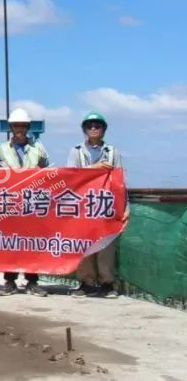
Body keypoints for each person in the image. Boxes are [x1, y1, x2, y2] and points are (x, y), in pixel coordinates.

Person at [0, 108, 50, 297]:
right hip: (10, 205)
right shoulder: (1, 150)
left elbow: (48, 174)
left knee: (32, 243)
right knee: (10, 243)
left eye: (23, 126)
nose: (20, 129)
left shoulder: (39, 149)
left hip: (31, 204)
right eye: (16, 126)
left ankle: (32, 281)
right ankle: (10, 281)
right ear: (11, 127)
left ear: (28, 127)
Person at [67, 112, 123, 298]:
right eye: (89, 125)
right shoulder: (76, 151)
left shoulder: (113, 152)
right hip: (83, 206)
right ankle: (86, 282)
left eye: (97, 125)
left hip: (105, 205)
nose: (93, 128)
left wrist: (124, 208)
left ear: (103, 129)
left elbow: (120, 181)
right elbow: (71, 176)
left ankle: (107, 284)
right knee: (84, 245)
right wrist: (95, 168)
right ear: (84, 129)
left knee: (106, 245)